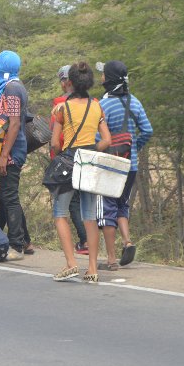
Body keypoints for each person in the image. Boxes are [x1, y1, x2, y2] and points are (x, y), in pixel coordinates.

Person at [49, 62, 111, 282]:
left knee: (60, 213)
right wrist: (91, 151)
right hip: (90, 163)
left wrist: (62, 154)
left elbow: (55, 142)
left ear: (71, 82)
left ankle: (71, 263)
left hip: (69, 162)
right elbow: (107, 140)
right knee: (89, 217)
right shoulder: (97, 106)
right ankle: (93, 269)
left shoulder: (62, 109)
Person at [97, 61, 153, 268]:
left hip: (111, 164)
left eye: (103, 74)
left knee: (108, 209)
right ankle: (127, 241)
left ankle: (111, 259)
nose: (101, 78)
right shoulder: (135, 102)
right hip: (131, 164)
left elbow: (98, 137)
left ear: (109, 79)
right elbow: (147, 130)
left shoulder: (103, 106)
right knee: (122, 204)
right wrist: (135, 148)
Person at [0, 50, 31, 261]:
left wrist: (4, 155)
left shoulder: (12, 89)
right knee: (6, 195)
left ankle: (17, 245)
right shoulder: (9, 87)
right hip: (8, 149)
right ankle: (14, 239)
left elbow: (13, 123)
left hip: (12, 150)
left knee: (10, 196)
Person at [51, 65, 88, 254]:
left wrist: (56, 156)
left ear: (67, 82)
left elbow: (55, 140)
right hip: (88, 157)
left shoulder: (59, 104)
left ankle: (83, 242)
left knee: (65, 207)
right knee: (86, 203)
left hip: (66, 158)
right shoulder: (93, 103)